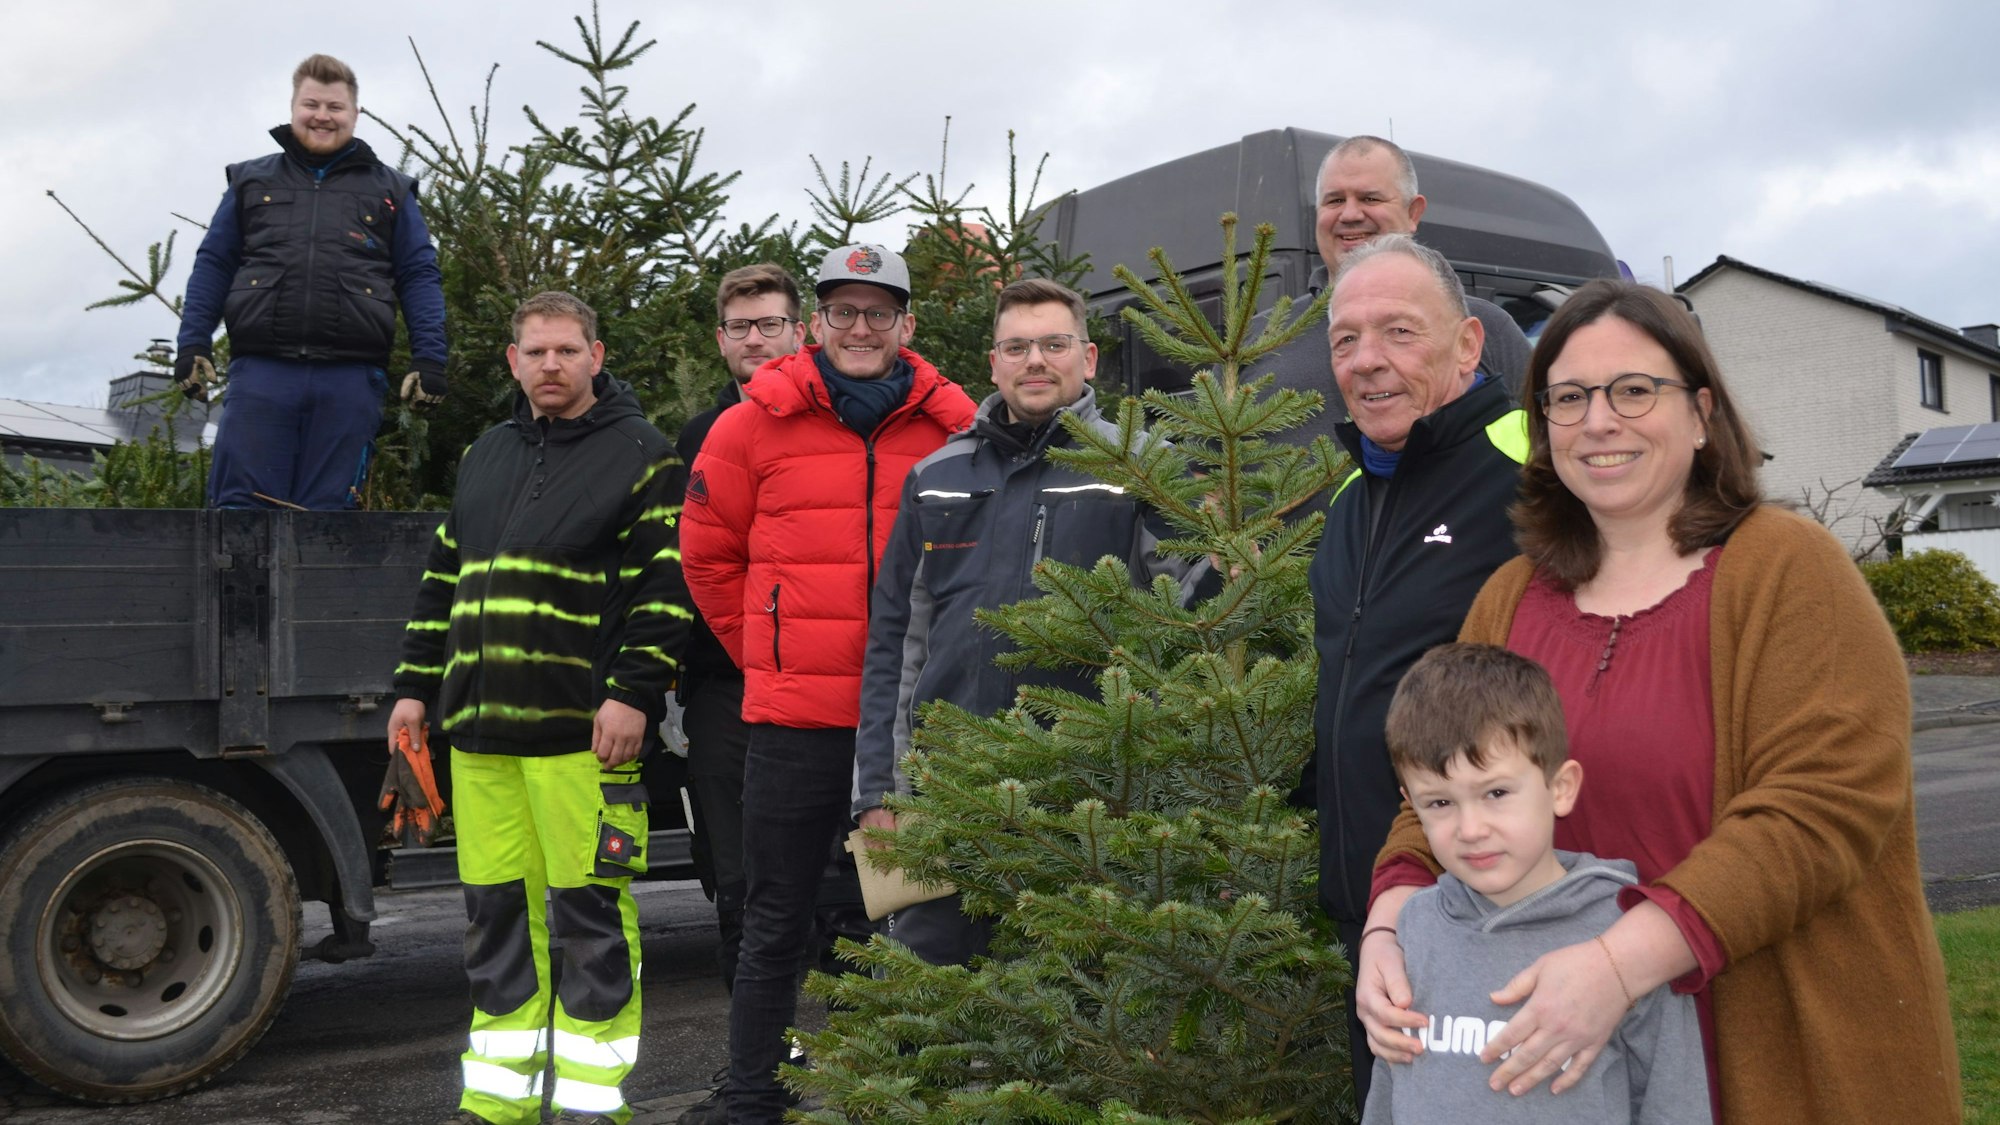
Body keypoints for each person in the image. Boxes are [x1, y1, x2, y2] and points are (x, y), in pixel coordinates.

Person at [1358, 280, 1961, 1123]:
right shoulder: (1510, 597)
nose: (1599, 420)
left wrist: (1617, 964)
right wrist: (1389, 920)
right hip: (1567, 1071)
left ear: (1702, 412)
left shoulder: (1791, 570)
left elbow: (1823, 808)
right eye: (1567, 398)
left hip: (1773, 1044)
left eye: (1635, 389)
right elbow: (1438, 779)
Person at [680, 243, 978, 1124]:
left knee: (917, 915)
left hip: (911, 727)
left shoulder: (954, 428)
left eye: (877, 312)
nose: (859, 327)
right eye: (842, 311)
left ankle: (919, 1090)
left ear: (906, 325)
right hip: (794, 719)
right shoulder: (750, 425)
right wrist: (765, 652)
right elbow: (706, 554)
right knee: (776, 910)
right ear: (815, 324)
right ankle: (750, 1091)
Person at [388, 292, 690, 1125]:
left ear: (597, 354)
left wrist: (633, 692)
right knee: (495, 917)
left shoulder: (644, 454)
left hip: (581, 741)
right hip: (481, 737)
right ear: (514, 362)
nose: (550, 365)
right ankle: (498, 1103)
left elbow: (667, 589)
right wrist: (414, 688)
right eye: (535, 352)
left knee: (590, 918)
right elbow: (443, 579)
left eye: (566, 350)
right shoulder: (487, 453)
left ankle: (594, 1107)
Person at [853, 277, 1208, 965]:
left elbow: (1188, 621)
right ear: (993, 363)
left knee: (1080, 994)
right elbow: (894, 641)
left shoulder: (1139, 465)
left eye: (1053, 344)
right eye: (1016, 346)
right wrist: (878, 789)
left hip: (1091, 789)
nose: (1035, 360)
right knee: (928, 995)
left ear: (1089, 357)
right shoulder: (936, 476)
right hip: (946, 783)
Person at [1308, 233, 1530, 1110]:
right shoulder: (1350, 497)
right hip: (1374, 914)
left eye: (1400, 332)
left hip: (1492, 919)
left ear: (1468, 344)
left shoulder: (1533, 475)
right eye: (1346, 340)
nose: (1368, 362)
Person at [1361, 642, 1708, 1124]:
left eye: (1496, 793)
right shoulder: (1413, 930)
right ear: (1410, 804)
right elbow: (1388, 1093)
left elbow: (1675, 1101)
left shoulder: (1624, 932)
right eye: (1440, 803)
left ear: (1560, 788)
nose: (1471, 829)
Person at [176, 53, 449, 510]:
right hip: (261, 373)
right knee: (240, 509)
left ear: (355, 115)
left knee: (328, 518)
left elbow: (419, 274)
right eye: (311, 104)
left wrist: (430, 358)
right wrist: (193, 344)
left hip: (351, 378)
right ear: (293, 108)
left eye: (335, 107)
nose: (322, 116)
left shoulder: (391, 190)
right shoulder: (249, 181)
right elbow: (214, 263)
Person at [1263, 135, 1531, 451]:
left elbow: (1553, 440)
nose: (1349, 214)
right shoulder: (1256, 341)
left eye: (1370, 199)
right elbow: (1208, 483)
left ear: (1413, 212)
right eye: (1334, 200)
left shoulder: (1486, 325)